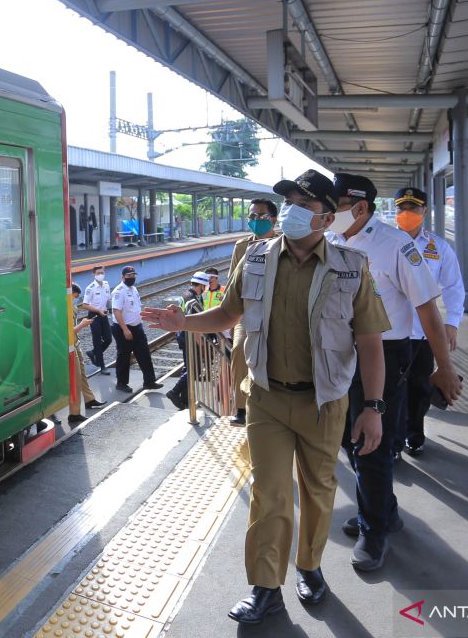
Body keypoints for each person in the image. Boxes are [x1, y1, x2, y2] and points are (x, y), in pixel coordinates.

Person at [142, 169, 390, 625]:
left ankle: (311, 568)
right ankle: (265, 587)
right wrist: (183, 324)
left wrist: (372, 408)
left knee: (319, 490)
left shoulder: (351, 267)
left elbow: (371, 342)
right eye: (289, 201)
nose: (292, 211)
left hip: (325, 401)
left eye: (303, 204)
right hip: (266, 399)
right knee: (269, 492)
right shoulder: (255, 259)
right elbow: (227, 314)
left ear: (325, 217)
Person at [328, 173, 464, 571]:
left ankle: (375, 529)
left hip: (386, 352)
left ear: (360, 207)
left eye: (334, 205)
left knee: (370, 442)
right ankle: (383, 508)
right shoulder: (334, 241)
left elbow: (429, 312)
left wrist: (445, 367)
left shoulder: (396, 246)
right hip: (342, 352)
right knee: (344, 437)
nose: (327, 213)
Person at [392, 187, 464, 457]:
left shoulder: (438, 247)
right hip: (389, 332)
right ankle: (394, 442)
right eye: (401, 208)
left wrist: (453, 322)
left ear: (425, 211)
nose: (406, 214)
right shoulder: (385, 242)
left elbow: (454, 287)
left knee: (419, 387)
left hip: (424, 334)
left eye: (413, 208)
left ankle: (415, 435)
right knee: (391, 389)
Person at [226, 199, 279, 424]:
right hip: (246, 313)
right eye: (251, 217)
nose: (255, 221)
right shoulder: (242, 246)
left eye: (260, 216)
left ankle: (272, 407)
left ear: (273, 219)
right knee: (239, 350)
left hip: (276, 314)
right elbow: (232, 284)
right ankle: (241, 408)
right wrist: (229, 320)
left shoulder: (284, 244)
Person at [110, 266, 162, 395]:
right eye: (129, 276)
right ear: (122, 277)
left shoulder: (133, 289)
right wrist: (125, 329)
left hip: (137, 327)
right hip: (124, 328)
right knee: (124, 356)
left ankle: (149, 381)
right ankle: (121, 383)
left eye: (133, 275)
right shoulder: (119, 291)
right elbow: (116, 311)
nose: (131, 278)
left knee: (144, 354)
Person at [167, 271, 210, 410]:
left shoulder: (186, 294)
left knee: (188, 367)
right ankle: (174, 392)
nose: (206, 289)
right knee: (194, 369)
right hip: (189, 337)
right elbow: (194, 325)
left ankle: (185, 400)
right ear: (201, 285)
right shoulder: (192, 300)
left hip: (183, 335)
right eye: (205, 286)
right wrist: (201, 342)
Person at [67, 283, 106, 426]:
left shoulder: (72, 306)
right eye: (75, 297)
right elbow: (68, 332)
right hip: (69, 345)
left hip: (75, 344)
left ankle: (89, 399)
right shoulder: (65, 306)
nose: (75, 299)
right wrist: (83, 325)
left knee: (81, 374)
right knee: (76, 378)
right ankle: (74, 413)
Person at [81, 265, 114, 374]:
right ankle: (102, 366)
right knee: (97, 341)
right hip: (94, 316)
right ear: (93, 275)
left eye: (102, 273)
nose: (100, 275)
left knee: (108, 339)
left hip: (103, 314)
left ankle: (93, 353)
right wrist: (98, 311)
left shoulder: (106, 285)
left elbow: (108, 299)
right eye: (98, 273)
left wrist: (110, 309)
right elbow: (84, 305)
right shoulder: (90, 288)